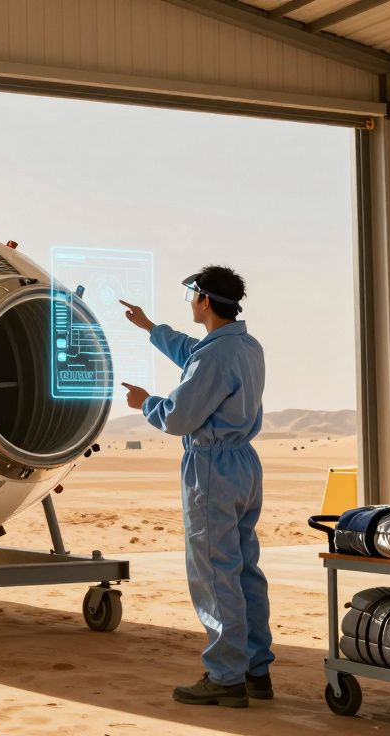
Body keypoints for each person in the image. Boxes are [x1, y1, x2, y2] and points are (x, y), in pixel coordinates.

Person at [118, 266, 273, 708]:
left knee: (213, 570)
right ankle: (256, 670)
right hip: (244, 466)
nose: (189, 301)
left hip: (211, 468)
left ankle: (225, 677)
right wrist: (150, 328)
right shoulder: (245, 346)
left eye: (192, 295)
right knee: (244, 568)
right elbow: (195, 353)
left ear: (205, 301)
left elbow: (180, 417)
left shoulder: (214, 358)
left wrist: (144, 402)